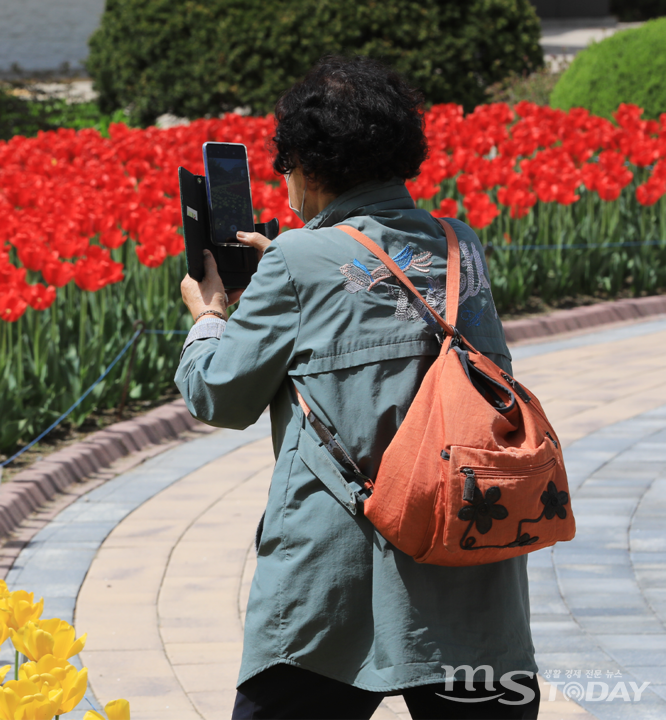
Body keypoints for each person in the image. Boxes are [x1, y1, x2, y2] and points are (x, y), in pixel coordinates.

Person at [176, 56, 540, 720]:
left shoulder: (293, 262)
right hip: (467, 548)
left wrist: (209, 316)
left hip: (337, 567)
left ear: (306, 167)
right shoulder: (461, 246)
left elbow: (218, 396)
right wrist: (293, 270)